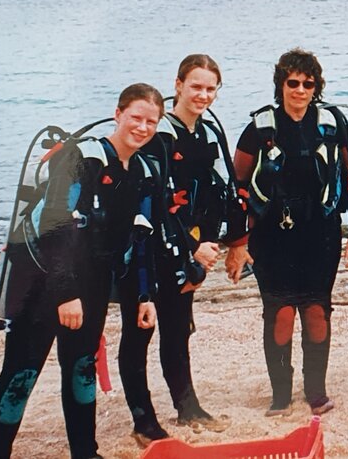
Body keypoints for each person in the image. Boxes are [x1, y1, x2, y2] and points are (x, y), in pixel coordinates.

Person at [0, 84, 164, 459]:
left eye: (151, 121)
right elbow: (54, 224)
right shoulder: (83, 158)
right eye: (136, 117)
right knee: (22, 374)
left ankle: (85, 452)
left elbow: (143, 238)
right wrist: (65, 293)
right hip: (39, 280)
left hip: (93, 283)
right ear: (118, 114)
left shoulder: (144, 170)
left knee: (82, 368)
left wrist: (145, 295)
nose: (142, 127)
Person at [228, 48, 348, 417]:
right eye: (293, 83)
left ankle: (316, 391)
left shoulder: (333, 123)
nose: (300, 90)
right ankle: (281, 394)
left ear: (316, 86)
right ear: (280, 84)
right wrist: (237, 242)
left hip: (320, 232)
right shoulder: (260, 128)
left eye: (308, 83)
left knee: (317, 310)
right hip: (272, 236)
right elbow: (236, 186)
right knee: (281, 312)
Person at [117, 55, 244, 444]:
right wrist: (193, 246)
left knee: (177, 328)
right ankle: (143, 418)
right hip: (145, 248)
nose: (203, 95)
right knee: (140, 330)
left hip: (188, 248)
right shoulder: (158, 134)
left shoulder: (207, 132)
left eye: (210, 89)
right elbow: (153, 202)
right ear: (177, 85)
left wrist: (234, 242)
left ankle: (187, 407)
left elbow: (225, 189)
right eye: (195, 87)